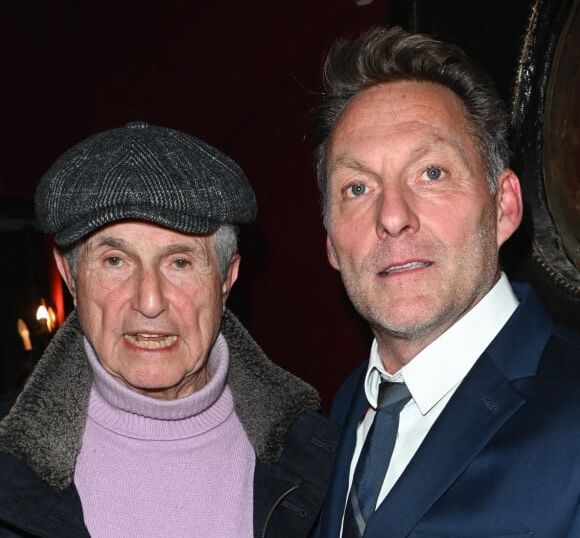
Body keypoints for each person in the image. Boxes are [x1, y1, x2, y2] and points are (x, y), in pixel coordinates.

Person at [0, 121, 339, 538]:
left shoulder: (320, 454)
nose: (149, 301)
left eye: (179, 262)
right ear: (69, 276)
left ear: (225, 279)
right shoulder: (9, 459)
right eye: (114, 261)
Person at [311, 27, 580, 537]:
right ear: (330, 240)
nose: (392, 216)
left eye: (431, 173)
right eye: (358, 187)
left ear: (504, 205)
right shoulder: (344, 407)